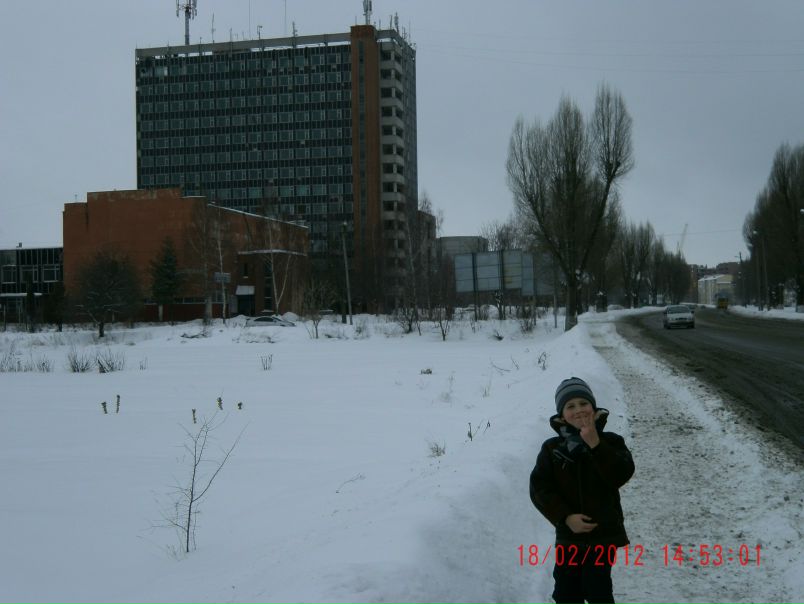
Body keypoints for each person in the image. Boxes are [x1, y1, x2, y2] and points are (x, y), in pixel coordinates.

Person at [529, 377, 635, 604]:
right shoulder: (552, 448)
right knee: (566, 592)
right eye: (570, 406)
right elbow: (539, 488)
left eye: (584, 403)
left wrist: (596, 444)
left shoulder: (612, 442)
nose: (578, 410)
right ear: (562, 415)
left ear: (594, 408)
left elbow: (621, 474)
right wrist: (565, 517)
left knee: (599, 591)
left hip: (603, 537)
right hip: (569, 538)